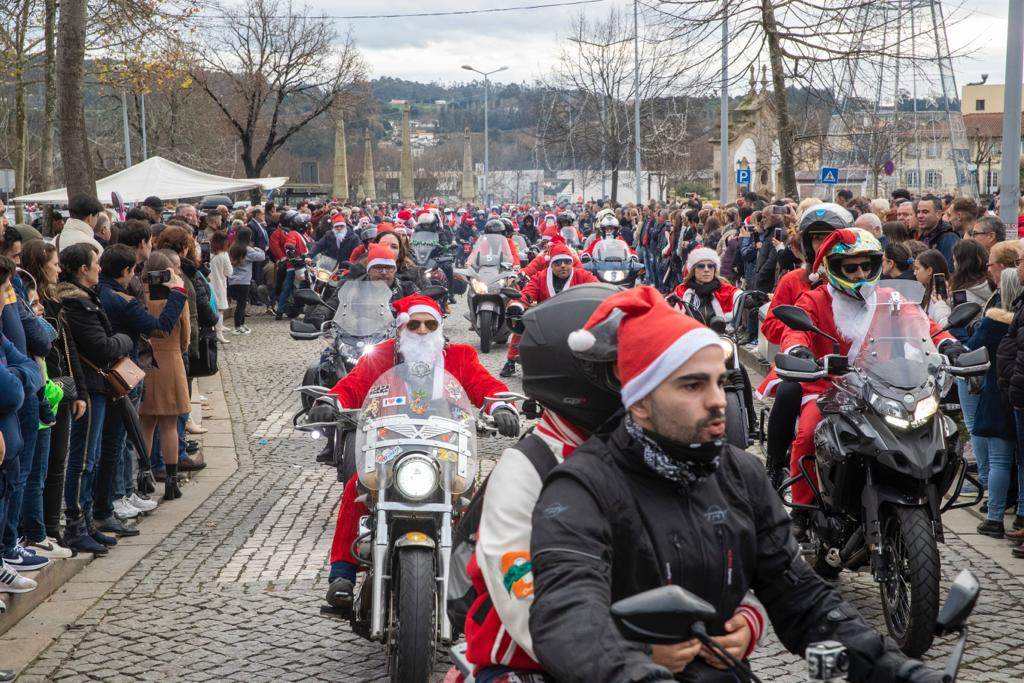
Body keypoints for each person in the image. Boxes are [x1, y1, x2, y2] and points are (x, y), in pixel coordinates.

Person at [528, 285, 928, 683]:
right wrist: (634, 671)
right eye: (692, 385)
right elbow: (567, 614)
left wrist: (895, 670)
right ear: (640, 402)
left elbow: (800, 596)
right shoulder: (581, 488)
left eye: (720, 382)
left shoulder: (740, 474)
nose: (718, 400)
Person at [463, 283, 770, 680]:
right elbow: (526, 598)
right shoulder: (528, 468)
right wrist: (632, 652)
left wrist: (745, 616)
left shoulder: (661, 452)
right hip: (536, 665)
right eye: (629, 364)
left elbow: (721, 554)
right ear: (585, 373)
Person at [323, 294, 520, 608]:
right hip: (390, 447)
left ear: (440, 327)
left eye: (430, 324)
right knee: (357, 489)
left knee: (474, 501)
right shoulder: (382, 356)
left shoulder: (460, 356)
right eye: (414, 325)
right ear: (401, 329)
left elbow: (484, 385)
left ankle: (476, 580)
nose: (423, 331)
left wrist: (500, 406)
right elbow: (354, 384)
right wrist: (328, 402)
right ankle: (342, 573)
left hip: (445, 448)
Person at [782, 230, 959, 532]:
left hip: (886, 385)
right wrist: (798, 350)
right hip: (830, 387)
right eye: (851, 267)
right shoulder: (816, 298)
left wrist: (947, 344)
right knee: (809, 431)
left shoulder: (891, 298)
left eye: (866, 265)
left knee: (934, 427)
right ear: (833, 268)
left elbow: (923, 324)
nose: (861, 273)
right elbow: (795, 330)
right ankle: (804, 508)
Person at [757, 204, 849, 487]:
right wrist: (799, 338)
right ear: (807, 244)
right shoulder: (793, 280)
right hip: (805, 368)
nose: (823, 244)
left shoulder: (856, 278)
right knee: (787, 391)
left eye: (830, 237)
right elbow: (770, 325)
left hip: (852, 369)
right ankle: (775, 463)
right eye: (817, 238)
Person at [96, 245, 186, 527]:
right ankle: (153, 483)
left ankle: (140, 479)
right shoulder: (128, 300)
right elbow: (171, 329)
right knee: (151, 429)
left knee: (141, 427)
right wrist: (178, 292)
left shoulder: (128, 295)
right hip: (150, 366)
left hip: (138, 367)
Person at [54, 243, 134, 555]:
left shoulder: (86, 297)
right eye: (95, 264)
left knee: (93, 455)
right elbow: (101, 347)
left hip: (95, 387)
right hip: (90, 386)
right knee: (84, 458)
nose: (100, 268)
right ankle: (76, 523)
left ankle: (86, 521)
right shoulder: (76, 303)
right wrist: (125, 339)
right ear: (82, 269)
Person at [19, 240, 86, 556]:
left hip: (60, 385)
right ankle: (41, 531)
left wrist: (78, 390)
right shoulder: (31, 301)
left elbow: (68, 347)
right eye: (55, 263)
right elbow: (47, 344)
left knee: (55, 463)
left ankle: (51, 529)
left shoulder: (55, 300)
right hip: (45, 387)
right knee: (40, 469)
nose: (59, 269)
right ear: (40, 264)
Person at [0, 255, 45, 593]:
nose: (8, 297)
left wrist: (19, 376)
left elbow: (25, 365)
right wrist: (19, 377)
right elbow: (12, 391)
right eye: (4, 289)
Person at [967, 267, 1019, 539]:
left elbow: (972, 350)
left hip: (998, 395)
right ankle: (1021, 515)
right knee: (1020, 462)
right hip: (1015, 395)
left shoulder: (993, 322)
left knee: (999, 460)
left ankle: (995, 516)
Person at [138, 251, 191, 502]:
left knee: (146, 423)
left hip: (144, 363)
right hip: (170, 360)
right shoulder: (177, 298)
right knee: (170, 425)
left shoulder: (139, 298)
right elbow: (185, 338)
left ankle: (143, 476)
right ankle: (171, 480)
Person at [501, 241, 598, 378]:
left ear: (572, 262)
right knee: (524, 323)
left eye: (567, 262)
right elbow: (527, 293)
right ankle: (511, 360)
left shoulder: (582, 275)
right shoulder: (540, 276)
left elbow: (597, 287)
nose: (563, 266)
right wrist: (518, 305)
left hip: (575, 319)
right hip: (546, 319)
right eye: (558, 263)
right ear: (551, 264)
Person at [669, 247, 742, 324]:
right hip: (690, 332)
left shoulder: (724, 289)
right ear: (693, 270)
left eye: (710, 266)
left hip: (716, 334)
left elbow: (739, 294)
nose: (706, 270)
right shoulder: (682, 290)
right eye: (701, 266)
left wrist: (748, 299)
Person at [226, 227, 266, 335]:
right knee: (242, 304)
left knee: (241, 304)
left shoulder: (233, 247)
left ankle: (241, 324)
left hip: (233, 279)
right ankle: (238, 326)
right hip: (243, 281)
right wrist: (258, 248)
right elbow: (261, 256)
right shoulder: (247, 249)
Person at [917, 196, 958, 269]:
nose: (920, 216)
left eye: (925, 212)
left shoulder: (948, 238)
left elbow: (949, 270)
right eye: (918, 212)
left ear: (939, 214)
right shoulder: (925, 235)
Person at [913, 249, 951, 326]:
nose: (914, 273)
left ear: (929, 270)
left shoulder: (943, 294)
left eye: (917, 268)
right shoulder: (929, 291)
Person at [208, 231, 232, 344]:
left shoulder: (208, 253)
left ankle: (218, 328)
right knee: (220, 309)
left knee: (213, 308)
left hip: (209, 283)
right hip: (219, 284)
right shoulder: (224, 255)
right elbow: (229, 272)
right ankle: (219, 332)